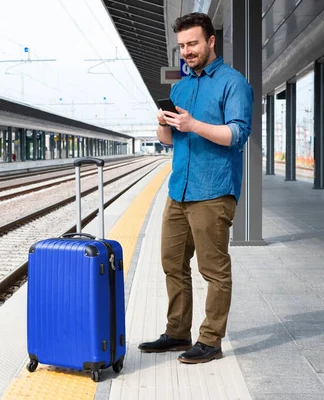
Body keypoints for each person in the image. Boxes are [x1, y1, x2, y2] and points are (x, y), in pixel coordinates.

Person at [138, 12, 253, 364]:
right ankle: (177, 332)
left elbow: (237, 134)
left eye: (193, 44)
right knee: (171, 263)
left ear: (211, 41)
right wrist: (163, 124)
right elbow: (170, 141)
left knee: (213, 269)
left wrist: (194, 123)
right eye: (182, 46)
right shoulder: (180, 87)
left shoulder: (233, 83)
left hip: (214, 189)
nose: (187, 51)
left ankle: (211, 340)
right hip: (179, 190)